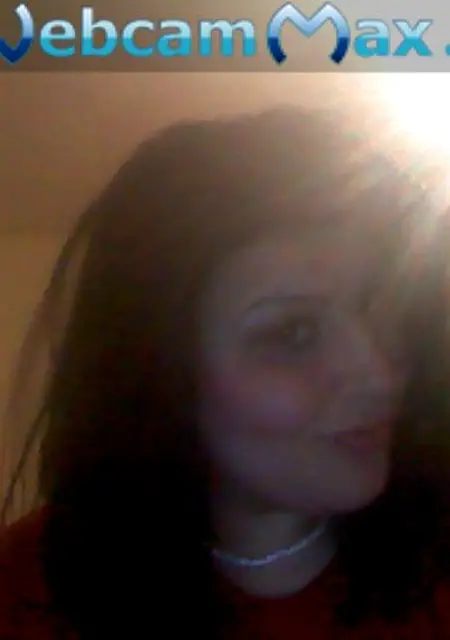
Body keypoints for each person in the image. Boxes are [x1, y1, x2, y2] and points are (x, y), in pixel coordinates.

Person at [1, 105, 450, 640]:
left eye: (385, 309)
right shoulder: (25, 592)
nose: (383, 377)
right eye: (294, 334)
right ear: (159, 369)